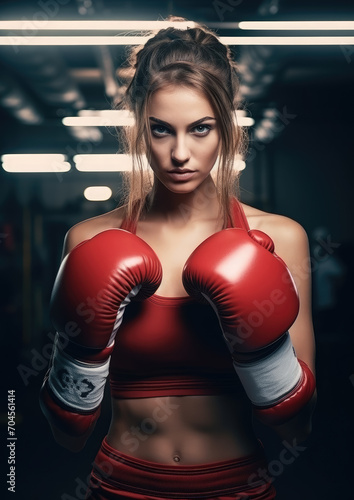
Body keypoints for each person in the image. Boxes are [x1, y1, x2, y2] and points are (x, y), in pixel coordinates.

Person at [39, 16, 317, 500]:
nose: (180, 153)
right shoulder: (88, 239)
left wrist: (260, 347)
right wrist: (80, 353)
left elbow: (298, 430)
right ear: (139, 127)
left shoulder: (279, 239)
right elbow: (68, 435)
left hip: (237, 486)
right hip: (119, 486)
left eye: (201, 129)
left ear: (227, 126)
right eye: (161, 130)